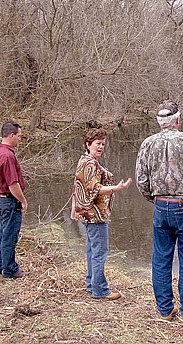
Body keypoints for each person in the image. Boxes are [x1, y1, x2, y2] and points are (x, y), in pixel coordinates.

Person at [135, 100, 183, 322]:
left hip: (161, 206)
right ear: (177, 119)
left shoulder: (147, 144)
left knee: (161, 258)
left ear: (159, 122)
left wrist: (154, 199)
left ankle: (165, 310)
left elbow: (141, 180)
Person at [71, 128, 132, 300]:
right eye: (97, 144)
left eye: (103, 144)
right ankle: (100, 290)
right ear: (88, 144)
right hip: (94, 215)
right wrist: (117, 188)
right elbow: (94, 189)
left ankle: (92, 284)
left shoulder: (85, 159)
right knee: (99, 251)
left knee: (92, 249)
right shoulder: (90, 163)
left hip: (87, 214)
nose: (101, 147)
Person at [0, 121, 28, 278]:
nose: (20, 139)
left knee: (4, 233)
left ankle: (0, 265)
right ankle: (9, 269)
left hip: (0, 199)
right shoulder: (7, 156)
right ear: (11, 135)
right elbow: (12, 183)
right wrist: (23, 200)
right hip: (9, 200)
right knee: (10, 235)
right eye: (19, 136)